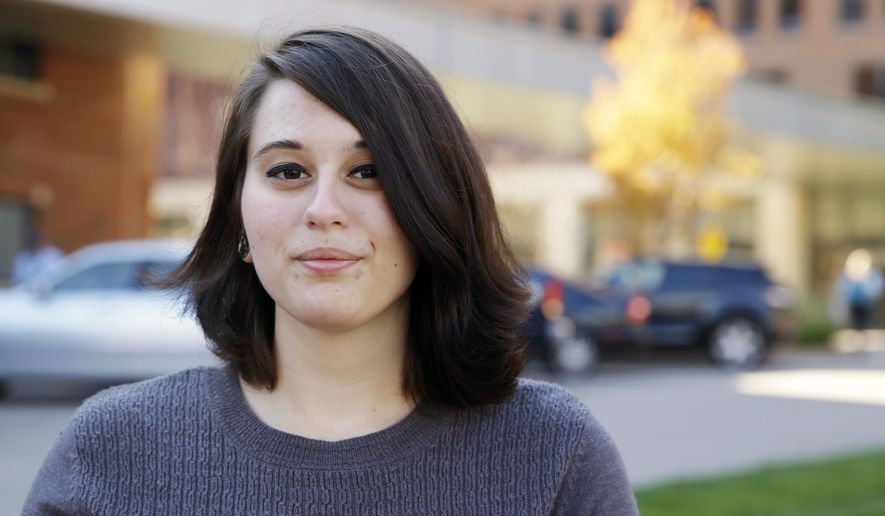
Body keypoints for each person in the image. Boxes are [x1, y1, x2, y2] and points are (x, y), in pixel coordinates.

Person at [23, 27, 638, 515]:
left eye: (367, 171)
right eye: (287, 171)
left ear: (436, 205)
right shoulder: (111, 449)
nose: (324, 211)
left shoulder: (555, 455)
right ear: (237, 216)